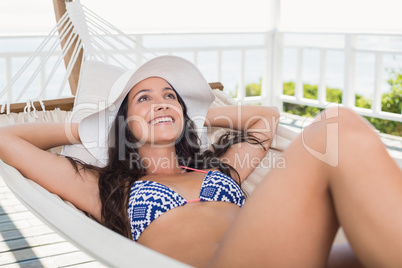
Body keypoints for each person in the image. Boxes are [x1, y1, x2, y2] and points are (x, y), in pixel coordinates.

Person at [0, 55, 400, 268]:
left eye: (170, 96)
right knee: (337, 127)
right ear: (124, 121)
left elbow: (267, 120)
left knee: (360, 256)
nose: (161, 102)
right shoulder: (108, 187)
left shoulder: (221, 168)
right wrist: (91, 127)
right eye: (144, 99)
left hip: (271, 255)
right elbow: (6, 137)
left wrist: (193, 115)